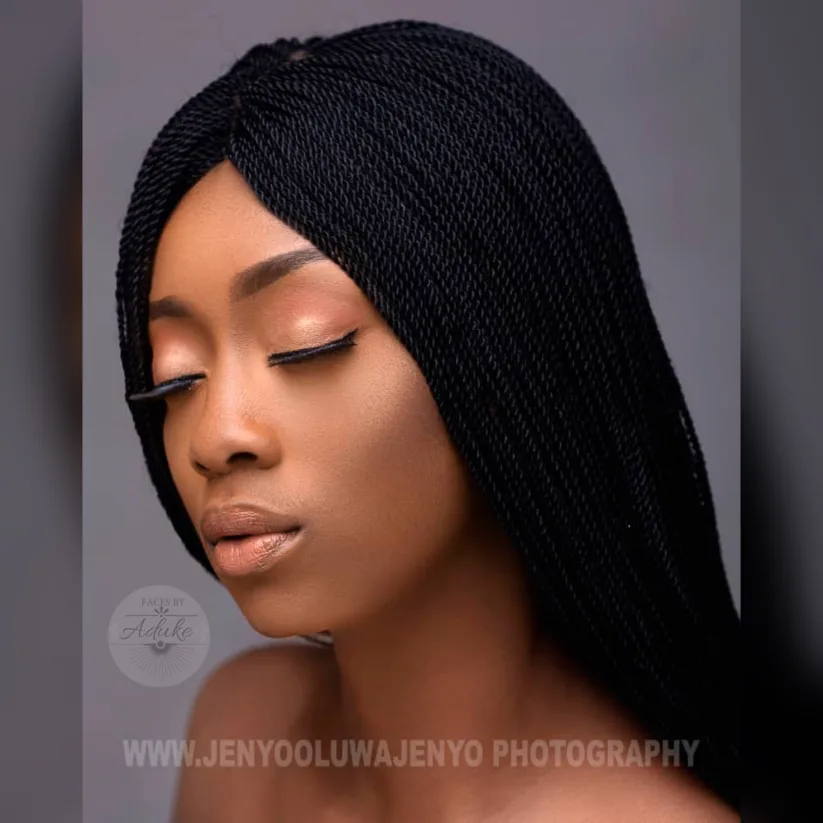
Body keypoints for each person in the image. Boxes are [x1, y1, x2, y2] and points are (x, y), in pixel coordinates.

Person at [115, 20, 740, 822]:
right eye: (175, 379)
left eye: (305, 344)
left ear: (505, 354)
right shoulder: (241, 735)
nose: (213, 437)